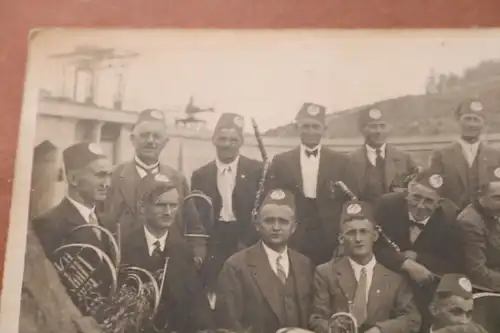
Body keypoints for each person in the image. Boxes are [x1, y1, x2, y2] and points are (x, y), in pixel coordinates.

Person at [121, 173, 215, 333]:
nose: (168, 212)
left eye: (173, 205)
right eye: (161, 205)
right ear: (142, 207)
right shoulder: (124, 246)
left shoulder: (183, 249)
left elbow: (197, 303)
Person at [310, 200, 421, 333]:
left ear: (374, 236)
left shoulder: (394, 279)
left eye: (364, 232)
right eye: (351, 233)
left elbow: (412, 319)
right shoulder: (326, 273)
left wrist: (380, 330)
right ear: (341, 239)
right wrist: (333, 328)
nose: (358, 239)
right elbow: (316, 318)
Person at [373, 169, 462, 331]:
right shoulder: (387, 205)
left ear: (439, 202)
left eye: (428, 201)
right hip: (388, 278)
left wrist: (419, 258)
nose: (420, 206)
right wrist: (405, 263)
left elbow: (454, 263)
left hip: (425, 287)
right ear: (408, 192)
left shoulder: (450, 218)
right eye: (416, 197)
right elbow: (375, 246)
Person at [216, 188, 313, 333]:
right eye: (269, 221)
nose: (276, 227)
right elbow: (229, 324)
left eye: (283, 222)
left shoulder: (304, 264)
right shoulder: (237, 266)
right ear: (257, 225)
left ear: (293, 227)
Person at [31, 142, 113, 314]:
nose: (107, 183)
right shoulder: (48, 223)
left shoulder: (106, 223)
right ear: (73, 179)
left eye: (109, 176)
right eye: (100, 175)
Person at [266, 102, 350, 265]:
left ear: (324, 130)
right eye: (306, 126)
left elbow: (348, 200)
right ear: (298, 129)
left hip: (328, 229)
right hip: (295, 227)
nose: (310, 131)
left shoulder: (341, 161)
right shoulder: (281, 161)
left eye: (315, 127)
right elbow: (273, 197)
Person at [103, 108, 205, 240]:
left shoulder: (177, 180)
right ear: (132, 139)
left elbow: (194, 228)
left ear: (165, 142)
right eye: (144, 135)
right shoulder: (113, 177)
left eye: (157, 136)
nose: (150, 141)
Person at [191, 113, 263, 295]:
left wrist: (250, 239)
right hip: (215, 240)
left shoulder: (257, 170)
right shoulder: (200, 175)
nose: (227, 144)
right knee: (215, 289)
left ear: (241, 142)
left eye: (233, 139)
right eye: (222, 139)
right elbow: (197, 216)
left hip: (246, 238)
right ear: (213, 139)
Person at [429, 99, 500, 210]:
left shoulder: (496, 156)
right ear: (458, 120)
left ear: (484, 123)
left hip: (487, 222)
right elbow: (433, 192)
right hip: (452, 221)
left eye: (476, 120)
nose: (471, 124)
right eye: (467, 119)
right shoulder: (441, 155)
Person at [346, 105, 418, 207]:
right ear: (362, 130)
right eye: (373, 127)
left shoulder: (404, 159)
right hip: (363, 217)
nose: (379, 131)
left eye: (382, 126)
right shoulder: (350, 161)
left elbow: (417, 189)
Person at [456, 166, 500, 292]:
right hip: (483, 287)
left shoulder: (492, 211)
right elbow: (477, 271)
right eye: (497, 197)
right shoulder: (470, 223)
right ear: (480, 196)